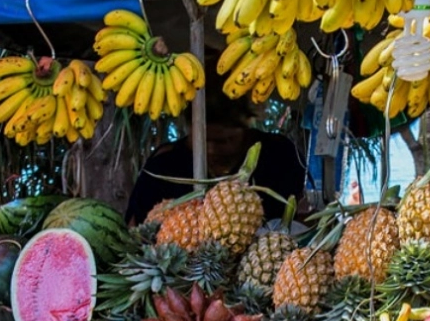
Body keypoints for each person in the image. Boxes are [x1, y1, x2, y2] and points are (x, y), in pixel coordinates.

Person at [126, 68, 306, 223]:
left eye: (223, 141)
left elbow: (303, 214)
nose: (211, 149)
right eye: (203, 141)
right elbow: (134, 228)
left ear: (247, 126)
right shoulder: (163, 166)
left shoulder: (280, 156)